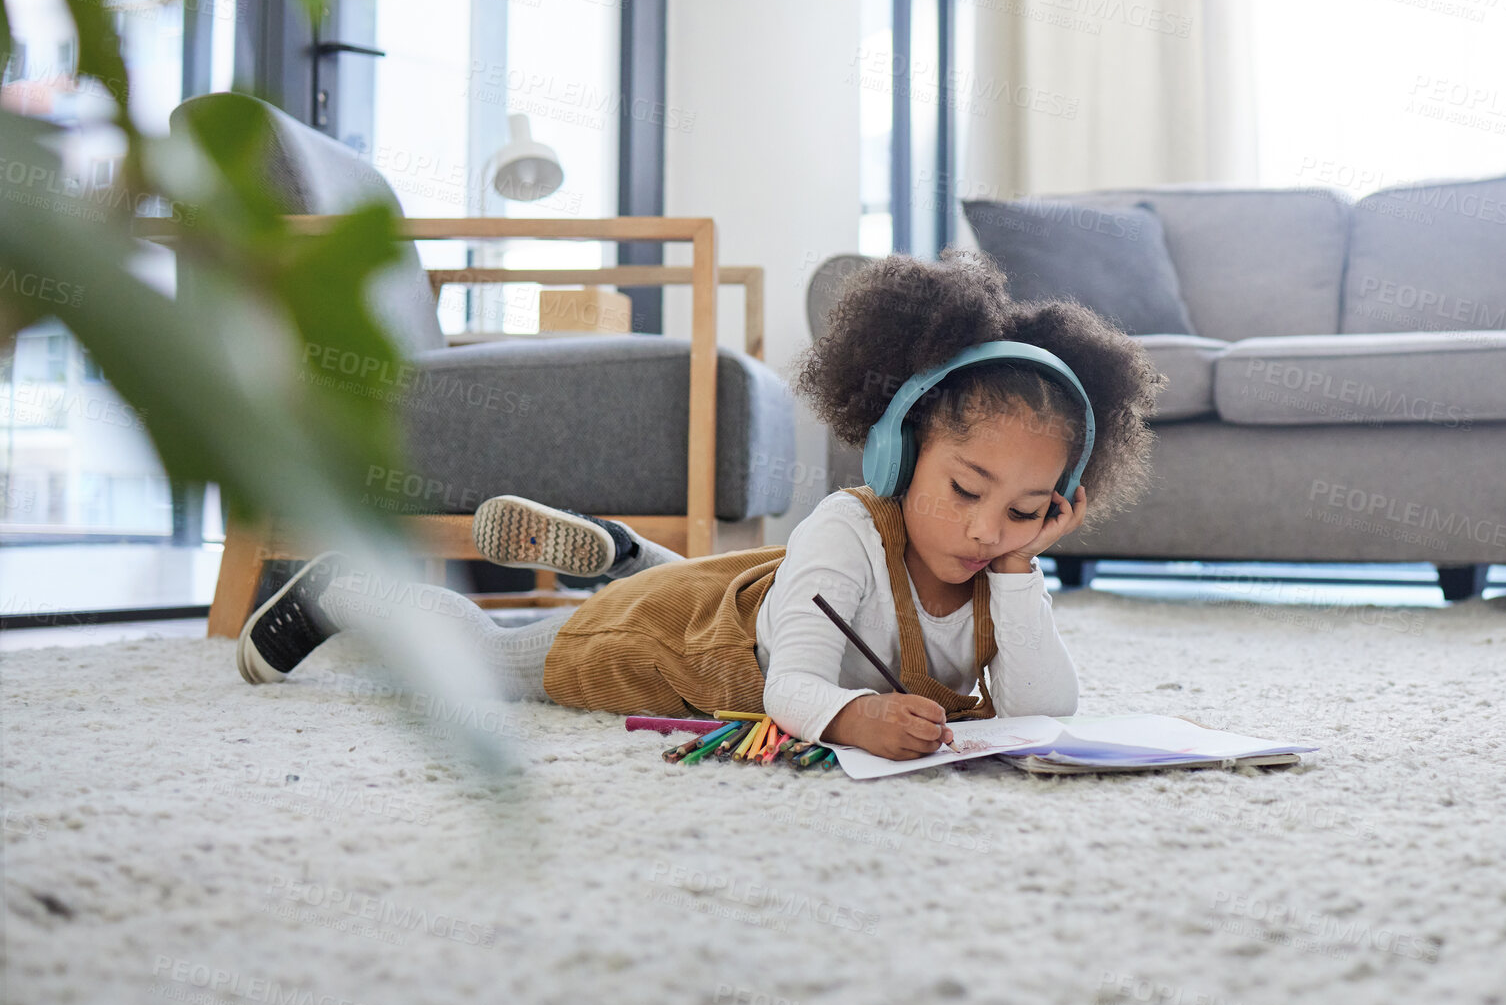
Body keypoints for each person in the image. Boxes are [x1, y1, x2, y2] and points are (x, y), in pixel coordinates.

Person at [235, 249, 1164, 761]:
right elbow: (790, 687)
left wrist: (1018, 571)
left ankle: (626, 557)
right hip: (678, 649)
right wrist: (846, 719)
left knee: (749, 593)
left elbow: (1042, 712)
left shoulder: (996, 559)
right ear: (898, 444)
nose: (982, 528)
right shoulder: (847, 528)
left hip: (755, 598)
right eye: (966, 489)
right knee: (489, 658)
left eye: (1025, 508)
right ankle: (343, 589)